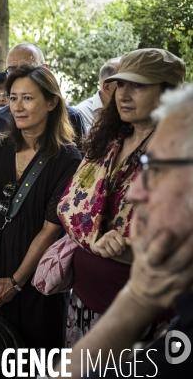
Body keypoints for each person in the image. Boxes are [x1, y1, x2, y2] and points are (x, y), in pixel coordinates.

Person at [58, 48, 186, 349]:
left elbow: (177, 241)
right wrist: (97, 239)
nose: (124, 94)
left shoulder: (180, 152)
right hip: (86, 300)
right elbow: (68, 205)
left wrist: (121, 247)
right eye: (122, 84)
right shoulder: (109, 140)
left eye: (138, 85)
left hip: (145, 314)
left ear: (168, 92)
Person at [0, 65, 81, 359]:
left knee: (33, 357)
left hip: (34, 274)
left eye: (27, 98)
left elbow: (50, 228)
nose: (17, 106)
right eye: (12, 98)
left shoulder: (68, 159)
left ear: (52, 102)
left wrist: (16, 281)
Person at [0, 43, 86, 149]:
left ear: (45, 69)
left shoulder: (72, 117)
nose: (19, 74)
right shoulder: (1, 116)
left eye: (27, 67)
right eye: (12, 70)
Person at [74, 57, 121, 130]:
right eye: (121, 84)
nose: (129, 91)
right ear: (107, 87)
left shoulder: (132, 112)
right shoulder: (80, 114)